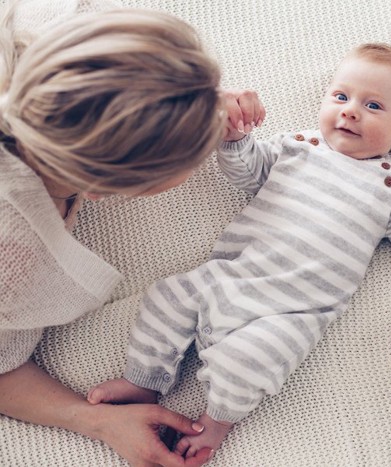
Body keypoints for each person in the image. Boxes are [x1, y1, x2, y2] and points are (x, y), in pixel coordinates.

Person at [89, 40, 391, 459]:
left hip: (290, 313)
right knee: (166, 298)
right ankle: (145, 381)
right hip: (229, 275)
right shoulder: (298, 146)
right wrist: (235, 141)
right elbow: (250, 172)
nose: (351, 110)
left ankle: (214, 423)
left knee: (252, 364)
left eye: (373, 107)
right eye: (341, 96)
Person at [0, 2, 226, 466]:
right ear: (106, 189)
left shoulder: (47, 36)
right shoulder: (17, 257)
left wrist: (188, 99)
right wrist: (96, 420)